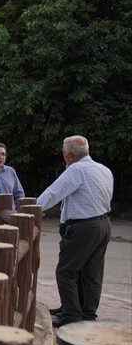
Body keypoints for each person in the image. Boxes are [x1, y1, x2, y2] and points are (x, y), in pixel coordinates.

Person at [36, 135, 114, 328]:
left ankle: (71, 314)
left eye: (64, 153)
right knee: (91, 272)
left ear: (69, 155)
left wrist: (31, 208)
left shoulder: (76, 170)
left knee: (66, 271)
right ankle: (86, 313)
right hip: (103, 223)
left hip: (83, 226)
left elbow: (53, 193)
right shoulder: (104, 169)